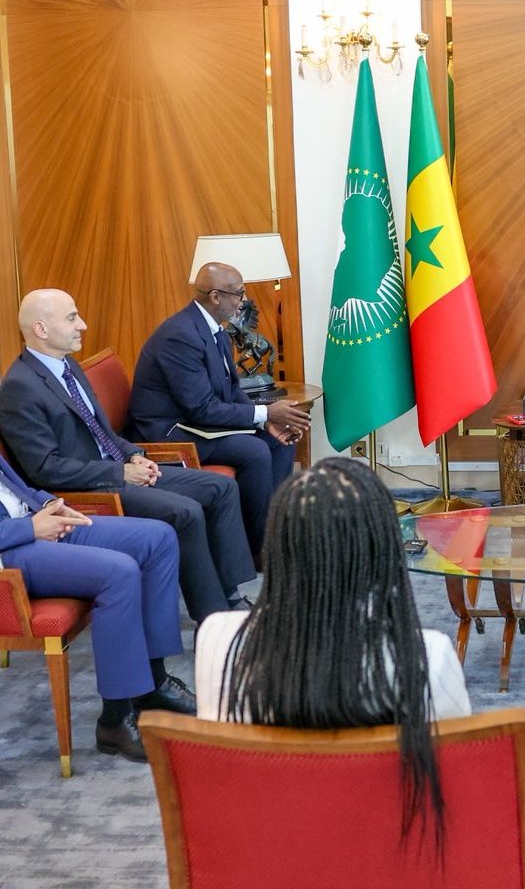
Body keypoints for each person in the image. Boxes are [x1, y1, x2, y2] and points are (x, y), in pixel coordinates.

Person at [195, 455, 469, 889]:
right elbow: (459, 789)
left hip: (272, 883)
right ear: (380, 547)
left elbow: (223, 782)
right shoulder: (423, 654)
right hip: (399, 878)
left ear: (280, 544)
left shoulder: (217, 641)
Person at [0, 289, 257, 624]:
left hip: (117, 469)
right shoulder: (19, 388)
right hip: (88, 488)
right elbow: (46, 470)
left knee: (220, 489)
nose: (83, 325)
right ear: (41, 329)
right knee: (185, 511)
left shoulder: (68, 367)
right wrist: (120, 474)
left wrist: (134, 456)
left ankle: (229, 592)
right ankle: (212, 617)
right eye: (72, 317)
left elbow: (101, 431)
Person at [0, 450, 193, 763]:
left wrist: (50, 504)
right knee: (119, 573)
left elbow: (11, 485)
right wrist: (30, 529)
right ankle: (115, 720)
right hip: (11, 551)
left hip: (34, 520)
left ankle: (152, 684)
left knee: (158, 537)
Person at [128, 264, 311, 554]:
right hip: (169, 431)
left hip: (197, 420)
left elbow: (231, 391)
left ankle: (274, 534)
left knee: (280, 440)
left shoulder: (216, 332)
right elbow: (202, 409)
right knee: (254, 451)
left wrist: (266, 423)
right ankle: (256, 550)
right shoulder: (180, 337)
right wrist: (265, 413)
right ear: (215, 296)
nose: (244, 300)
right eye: (239, 294)